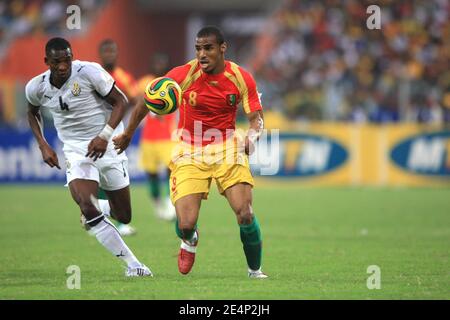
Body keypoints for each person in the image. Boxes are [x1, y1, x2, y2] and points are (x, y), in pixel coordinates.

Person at [113, 26, 268, 278]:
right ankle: (189, 239)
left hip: (227, 146)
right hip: (189, 149)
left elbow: (257, 119)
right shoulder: (182, 74)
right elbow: (145, 100)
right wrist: (129, 133)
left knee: (245, 213)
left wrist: (252, 136)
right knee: (184, 224)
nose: (202, 54)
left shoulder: (241, 77)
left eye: (208, 48)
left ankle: (255, 271)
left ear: (222, 48)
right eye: (198, 49)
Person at [26, 37, 152, 277]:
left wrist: (104, 136)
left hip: (108, 144)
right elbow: (32, 113)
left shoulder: (89, 72)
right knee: (87, 205)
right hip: (76, 150)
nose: (63, 66)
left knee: (124, 216)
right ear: (46, 62)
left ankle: (101, 207)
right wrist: (42, 144)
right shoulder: (36, 87)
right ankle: (134, 265)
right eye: (57, 62)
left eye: (67, 60)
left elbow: (121, 102)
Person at [98, 39, 138, 236]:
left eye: (112, 51)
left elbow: (133, 100)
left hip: (115, 133)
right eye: (106, 51)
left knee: (114, 174)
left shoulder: (124, 77)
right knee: (96, 174)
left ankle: (112, 219)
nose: (109, 55)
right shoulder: (94, 75)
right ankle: (97, 216)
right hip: (94, 132)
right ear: (100, 54)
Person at [136, 53, 176, 221]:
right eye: (157, 63)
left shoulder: (172, 84)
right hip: (148, 138)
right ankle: (158, 203)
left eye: (162, 63)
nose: (159, 66)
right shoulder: (144, 83)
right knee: (151, 174)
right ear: (152, 65)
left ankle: (169, 202)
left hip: (167, 137)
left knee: (172, 170)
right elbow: (136, 102)